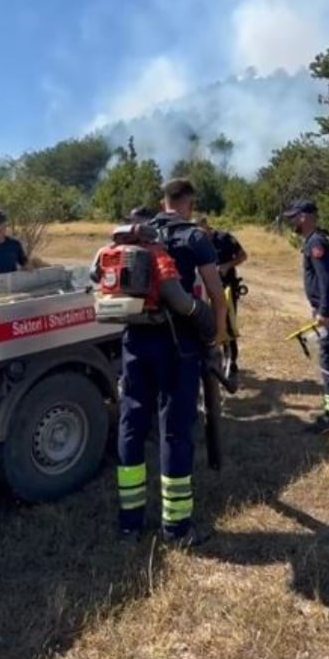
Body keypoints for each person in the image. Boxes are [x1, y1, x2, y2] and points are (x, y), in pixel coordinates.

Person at [115, 178, 227, 547]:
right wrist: (218, 335)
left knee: (131, 426)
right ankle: (177, 528)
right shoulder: (193, 237)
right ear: (189, 203)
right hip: (178, 345)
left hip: (134, 341)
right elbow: (214, 291)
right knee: (175, 430)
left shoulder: (139, 235)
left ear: (163, 201)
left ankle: (129, 522)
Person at [282, 199, 329, 433]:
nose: (291, 222)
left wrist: (323, 312)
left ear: (304, 216)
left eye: (293, 217)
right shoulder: (316, 239)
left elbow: (327, 280)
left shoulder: (316, 243)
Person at [197, 216, 247, 380]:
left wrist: (227, 265)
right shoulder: (197, 242)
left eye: (201, 229)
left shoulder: (224, 238)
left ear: (206, 225)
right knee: (207, 325)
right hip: (205, 289)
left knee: (228, 324)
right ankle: (211, 361)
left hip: (226, 288)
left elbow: (242, 256)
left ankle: (231, 361)